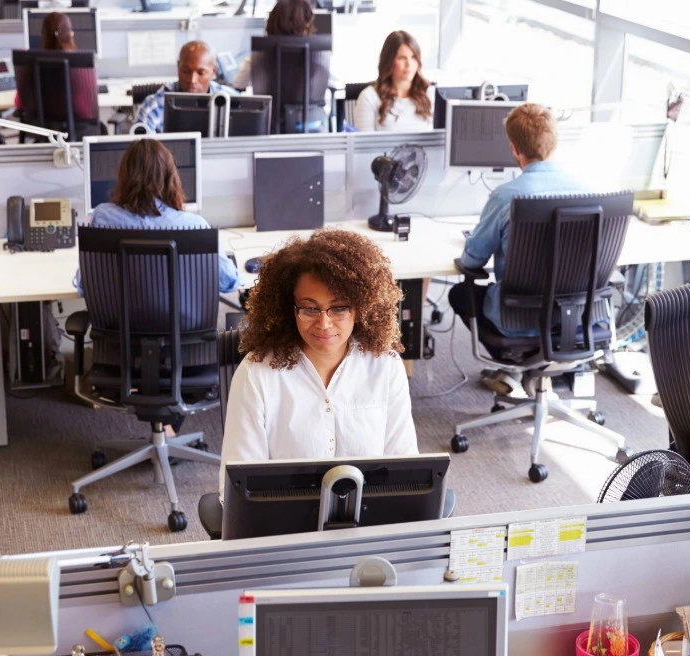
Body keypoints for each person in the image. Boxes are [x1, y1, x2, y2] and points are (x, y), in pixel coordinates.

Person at [219, 228, 419, 499]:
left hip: (369, 527)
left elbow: (405, 471)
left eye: (338, 308)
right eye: (310, 308)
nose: (324, 324)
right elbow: (237, 488)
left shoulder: (385, 366)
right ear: (290, 309)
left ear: (360, 307)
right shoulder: (258, 374)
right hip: (284, 530)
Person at [449, 103, 585, 395]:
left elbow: (473, 259)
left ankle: (512, 363)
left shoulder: (505, 197)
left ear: (514, 148)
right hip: (573, 318)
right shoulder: (585, 191)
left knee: (460, 294)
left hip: (516, 320)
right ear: (555, 142)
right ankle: (534, 370)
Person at [72, 137, 239, 296]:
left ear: (123, 177)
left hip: (118, 325)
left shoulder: (102, 218)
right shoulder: (194, 225)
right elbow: (229, 282)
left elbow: (84, 286)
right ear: (170, 178)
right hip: (184, 325)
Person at [135, 40, 238, 134]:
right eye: (186, 71)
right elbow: (142, 148)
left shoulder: (232, 99)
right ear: (178, 67)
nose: (192, 80)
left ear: (213, 72)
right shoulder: (155, 105)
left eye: (201, 73)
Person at [231, 0, 328, 94]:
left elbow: (238, 84)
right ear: (306, 24)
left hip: (269, 108)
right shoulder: (318, 53)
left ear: (271, 22)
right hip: (311, 109)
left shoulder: (260, 53)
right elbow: (338, 81)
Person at [354, 31, 433, 132]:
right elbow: (363, 145)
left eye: (413, 57)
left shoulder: (430, 94)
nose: (409, 64)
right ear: (389, 61)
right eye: (402, 58)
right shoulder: (369, 97)